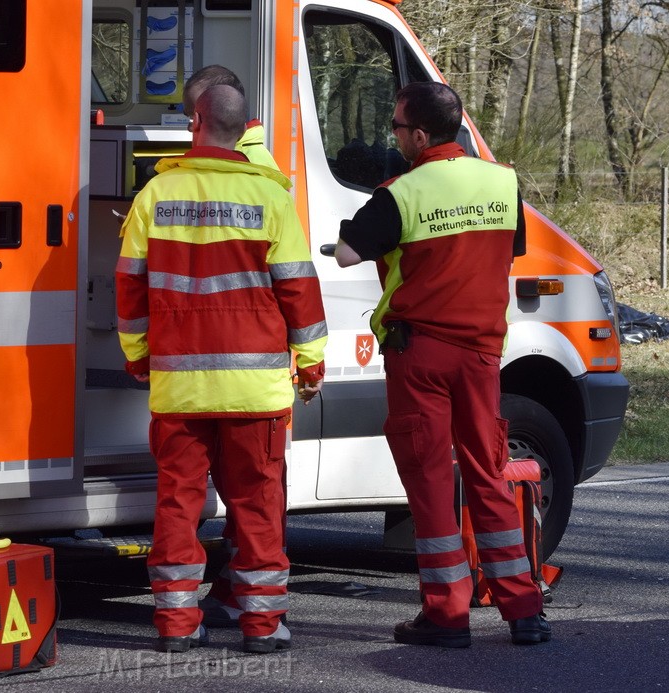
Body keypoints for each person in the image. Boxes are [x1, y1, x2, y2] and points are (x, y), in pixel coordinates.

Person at [333, 81, 550, 647]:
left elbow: (353, 251)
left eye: (399, 128)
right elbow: (508, 247)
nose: (394, 136)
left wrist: (346, 240)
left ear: (420, 135)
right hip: (482, 353)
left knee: (430, 479)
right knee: (489, 471)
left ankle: (447, 615)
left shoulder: (401, 192)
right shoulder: (503, 183)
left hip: (420, 351)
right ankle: (524, 609)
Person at [116, 84, 327, 654]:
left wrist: (138, 355)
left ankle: (176, 626)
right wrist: (310, 365)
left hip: (180, 385)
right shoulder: (272, 197)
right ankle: (262, 626)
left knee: (177, 505)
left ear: (197, 121)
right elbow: (299, 290)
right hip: (254, 388)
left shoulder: (157, 193)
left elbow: (130, 285)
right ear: (244, 129)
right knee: (257, 506)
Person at [181, 64, 287, 629]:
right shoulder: (266, 174)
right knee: (256, 494)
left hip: (204, 371)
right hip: (254, 371)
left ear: (202, 116)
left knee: (241, 497)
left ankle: (229, 597)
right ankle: (253, 609)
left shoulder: (250, 177)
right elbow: (294, 282)